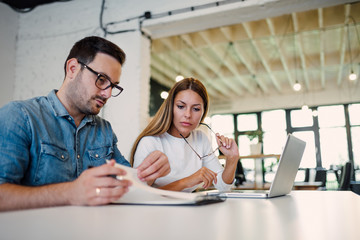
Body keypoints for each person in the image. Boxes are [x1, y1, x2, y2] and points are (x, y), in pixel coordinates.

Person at [0, 36, 170, 211]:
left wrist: (147, 174)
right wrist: (70, 192)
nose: (107, 94)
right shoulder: (20, 116)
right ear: (72, 69)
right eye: (101, 79)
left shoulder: (104, 130)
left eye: (113, 86)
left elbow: (125, 185)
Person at [130, 78, 239, 192]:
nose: (188, 114)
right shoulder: (150, 142)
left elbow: (223, 186)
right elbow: (139, 193)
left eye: (196, 109)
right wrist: (186, 182)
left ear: (203, 112)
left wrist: (232, 159)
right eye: (181, 106)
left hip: (188, 208)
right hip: (157, 209)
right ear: (170, 107)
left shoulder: (200, 139)